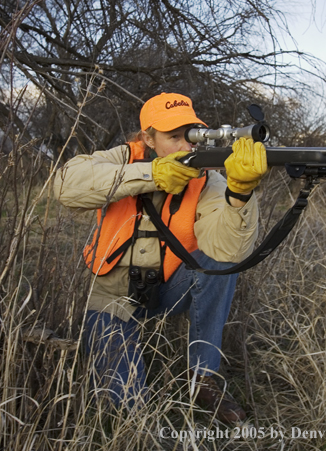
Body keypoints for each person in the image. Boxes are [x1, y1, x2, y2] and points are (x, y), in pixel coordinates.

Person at [53, 92, 267, 423]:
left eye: (191, 134)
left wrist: (239, 194)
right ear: (147, 138)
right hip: (110, 296)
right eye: (173, 136)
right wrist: (151, 175)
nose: (185, 145)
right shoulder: (123, 157)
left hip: (168, 286)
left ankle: (203, 376)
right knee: (129, 412)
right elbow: (67, 185)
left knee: (221, 264)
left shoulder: (207, 178)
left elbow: (227, 252)